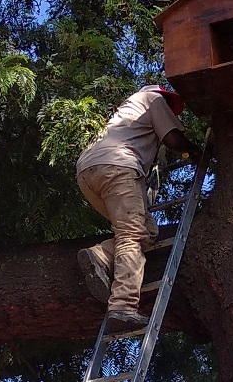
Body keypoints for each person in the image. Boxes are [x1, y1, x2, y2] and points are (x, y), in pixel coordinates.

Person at [75, 83, 195, 325]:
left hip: (88, 171)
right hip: (118, 166)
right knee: (132, 235)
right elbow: (173, 139)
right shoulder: (153, 98)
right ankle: (123, 304)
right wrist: (197, 151)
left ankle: (100, 254)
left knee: (146, 231)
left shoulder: (126, 113)